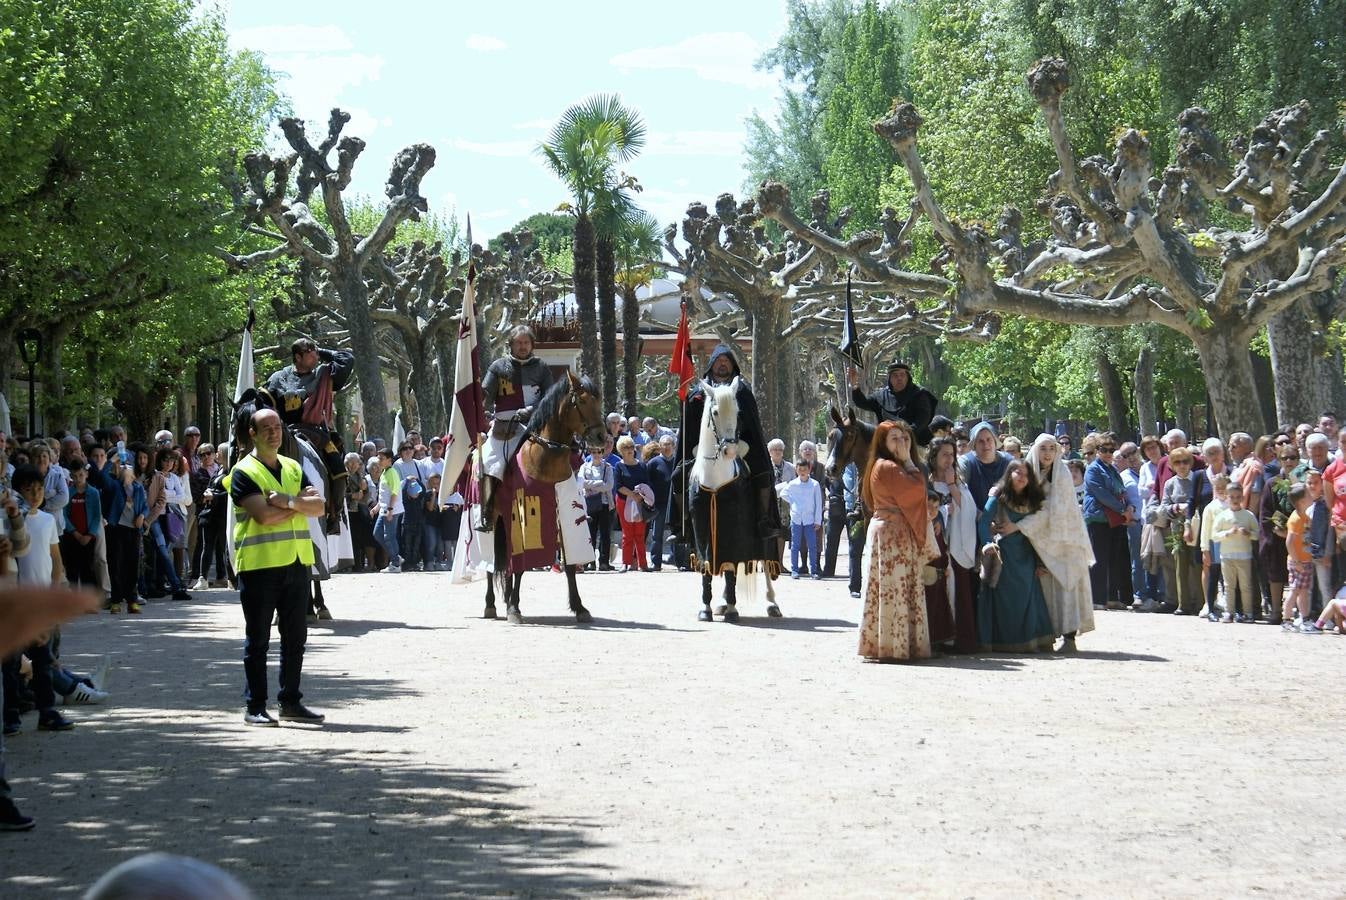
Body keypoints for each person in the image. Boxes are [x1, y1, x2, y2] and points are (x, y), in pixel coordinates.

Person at [225, 407, 326, 726]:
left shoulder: (294, 467)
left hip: (296, 563)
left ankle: (290, 701)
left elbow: (320, 507)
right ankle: (255, 706)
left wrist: (287, 501)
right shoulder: (243, 472)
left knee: (296, 637)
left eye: (278, 426)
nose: (274, 432)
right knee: (258, 640)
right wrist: (298, 505)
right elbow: (263, 516)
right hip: (259, 567)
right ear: (251, 434)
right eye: (266, 428)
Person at [673, 343, 785, 589]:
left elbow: (751, 424)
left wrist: (738, 442)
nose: (722, 364)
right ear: (711, 364)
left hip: (738, 444)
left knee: (763, 472)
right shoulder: (697, 392)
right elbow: (689, 427)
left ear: (732, 364)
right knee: (678, 474)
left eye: (726, 360)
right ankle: (681, 524)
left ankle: (763, 519)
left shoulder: (741, 390)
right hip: (702, 450)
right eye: (718, 360)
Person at [857, 420, 938, 662]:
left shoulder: (885, 466)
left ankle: (892, 644)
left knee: (895, 589)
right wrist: (911, 462)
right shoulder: (887, 467)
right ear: (883, 442)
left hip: (892, 533)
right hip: (892, 535)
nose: (901, 443)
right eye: (894, 439)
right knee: (894, 589)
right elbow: (916, 490)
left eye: (904, 439)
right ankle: (894, 647)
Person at [1018, 434, 1095, 652]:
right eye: (1043, 448)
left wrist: (1021, 525)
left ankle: (1069, 637)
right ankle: (1046, 636)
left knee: (1067, 587)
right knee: (1045, 590)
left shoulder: (1062, 475)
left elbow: (1054, 511)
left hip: (1065, 541)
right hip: (1039, 541)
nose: (1048, 453)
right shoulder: (1029, 473)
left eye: (1052, 448)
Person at [478, 325, 554, 531]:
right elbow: (485, 397)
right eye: (519, 342)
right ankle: (486, 513)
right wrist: (476, 394)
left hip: (535, 426)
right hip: (505, 428)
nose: (523, 346)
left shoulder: (541, 367)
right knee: (486, 463)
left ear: (532, 345)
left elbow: (550, 398)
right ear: (511, 344)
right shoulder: (498, 366)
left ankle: (562, 509)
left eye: (526, 342)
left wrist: (531, 410)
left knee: (563, 455)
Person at [976, 459, 1056, 652]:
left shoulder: (1034, 501)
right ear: (1009, 474)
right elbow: (983, 521)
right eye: (1017, 473)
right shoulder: (998, 497)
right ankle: (1003, 643)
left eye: (1026, 474)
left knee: (1026, 598)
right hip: (1004, 559)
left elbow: (1040, 529)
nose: (1022, 477)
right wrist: (987, 543)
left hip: (1026, 557)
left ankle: (1029, 641)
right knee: (1005, 602)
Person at [927, 437, 977, 651]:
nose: (949, 459)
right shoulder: (926, 482)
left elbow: (967, 509)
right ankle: (937, 637)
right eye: (944, 454)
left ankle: (957, 638)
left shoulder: (958, 481)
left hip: (954, 544)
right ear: (934, 457)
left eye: (952, 454)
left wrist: (951, 484)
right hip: (933, 544)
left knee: (956, 587)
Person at [1083, 434, 1134, 612]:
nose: (1107, 453)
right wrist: (1122, 510)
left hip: (1115, 520)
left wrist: (1129, 507)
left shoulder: (1112, 469)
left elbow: (1122, 490)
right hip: (1098, 518)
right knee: (1099, 559)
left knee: (1114, 559)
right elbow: (1101, 493)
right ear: (1097, 451)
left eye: (1111, 450)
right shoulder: (1092, 469)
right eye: (1103, 450)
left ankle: (1112, 597)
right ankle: (1097, 598)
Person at [847, 362, 938, 445]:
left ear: (907, 377)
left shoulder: (919, 395)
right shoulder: (881, 396)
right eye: (895, 375)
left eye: (902, 375)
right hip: (887, 443)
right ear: (889, 379)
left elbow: (922, 420)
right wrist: (854, 384)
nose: (899, 378)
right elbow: (863, 403)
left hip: (915, 443)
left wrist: (905, 435)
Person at [1212, 481, 1259, 622]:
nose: (1235, 500)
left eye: (1238, 497)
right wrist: (1227, 533)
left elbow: (1257, 534)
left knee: (1245, 586)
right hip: (1227, 555)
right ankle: (1229, 612)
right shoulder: (1222, 516)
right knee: (1228, 585)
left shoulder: (1248, 515)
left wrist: (1248, 533)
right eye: (1231, 496)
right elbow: (1214, 535)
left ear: (1242, 498)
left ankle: (1248, 613)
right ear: (1226, 497)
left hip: (1244, 555)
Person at [776, 458, 824, 579]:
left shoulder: (814, 484)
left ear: (809, 470)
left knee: (812, 545)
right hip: (796, 519)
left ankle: (813, 570)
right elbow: (782, 493)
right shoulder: (792, 484)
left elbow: (818, 503)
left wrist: (818, 520)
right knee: (795, 546)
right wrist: (793, 502)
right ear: (796, 470)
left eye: (805, 469)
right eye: (800, 469)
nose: (802, 471)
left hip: (810, 520)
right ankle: (794, 570)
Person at [1282, 483, 1318, 632]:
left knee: (1302, 591)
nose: (1311, 496)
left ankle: (1304, 619)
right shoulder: (1296, 519)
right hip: (1298, 562)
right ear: (1301, 501)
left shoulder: (1304, 516)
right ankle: (1286, 620)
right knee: (1294, 590)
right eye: (1308, 495)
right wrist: (1296, 561)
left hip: (1305, 560)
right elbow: (1289, 541)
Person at [613, 435, 651, 572]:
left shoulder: (642, 465)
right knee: (627, 534)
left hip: (640, 501)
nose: (629, 450)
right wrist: (632, 495)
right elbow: (618, 486)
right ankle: (625, 563)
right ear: (620, 450)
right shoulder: (618, 466)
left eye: (631, 447)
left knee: (640, 534)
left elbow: (647, 484)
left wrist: (639, 496)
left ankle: (643, 564)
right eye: (625, 448)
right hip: (624, 502)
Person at [59, 465, 100, 589]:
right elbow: (64, 515)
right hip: (72, 537)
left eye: (81, 475)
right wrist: (75, 533)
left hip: (88, 536)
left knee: (88, 569)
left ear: (86, 474)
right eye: (75, 476)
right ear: (71, 476)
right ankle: (73, 602)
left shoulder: (93, 492)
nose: (78, 479)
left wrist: (89, 534)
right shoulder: (69, 492)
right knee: (72, 569)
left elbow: (97, 516)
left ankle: (88, 602)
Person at [581, 439, 615, 571]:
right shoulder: (584, 467)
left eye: (599, 451)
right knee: (590, 534)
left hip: (605, 504)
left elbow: (609, 486)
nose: (596, 454)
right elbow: (582, 483)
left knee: (605, 534)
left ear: (602, 452)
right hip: (590, 504)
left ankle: (604, 562)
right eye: (593, 451)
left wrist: (593, 485)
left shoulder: (608, 467)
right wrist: (599, 483)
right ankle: (590, 561)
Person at [646, 435, 677, 571]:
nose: (666, 447)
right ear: (660, 446)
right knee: (656, 535)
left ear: (674, 446)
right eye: (664, 444)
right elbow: (647, 482)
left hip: (675, 504)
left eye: (669, 444)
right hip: (659, 504)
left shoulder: (678, 461)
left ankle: (678, 560)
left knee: (676, 534)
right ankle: (656, 562)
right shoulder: (653, 463)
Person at [372, 449, 403, 573]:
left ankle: (395, 563)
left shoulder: (392, 473)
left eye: (381, 458)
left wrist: (390, 509)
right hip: (384, 509)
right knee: (377, 534)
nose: (379, 461)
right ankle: (396, 556)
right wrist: (377, 507)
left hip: (391, 510)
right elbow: (384, 494)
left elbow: (394, 493)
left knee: (389, 537)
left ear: (389, 460)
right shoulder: (384, 472)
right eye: (378, 458)